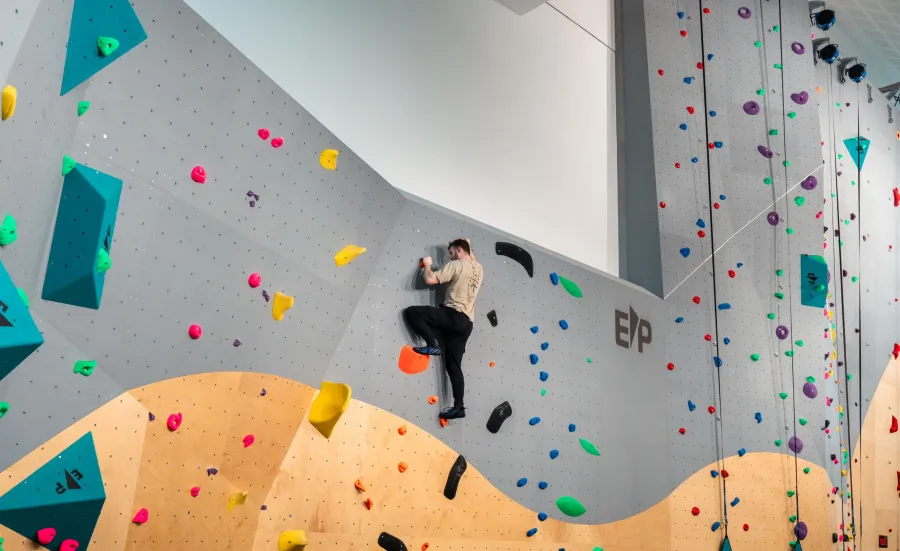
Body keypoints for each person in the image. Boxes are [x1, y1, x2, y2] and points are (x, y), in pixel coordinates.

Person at [404, 238, 484, 420]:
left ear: (459, 250)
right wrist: (467, 243)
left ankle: (432, 343)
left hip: (453, 315)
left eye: (451, 252)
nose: (450, 256)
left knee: (413, 312)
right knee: (453, 365)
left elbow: (431, 279)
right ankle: (459, 407)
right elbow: (470, 253)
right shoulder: (479, 268)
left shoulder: (456, 266)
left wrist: (428, 264)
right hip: (467, 323)